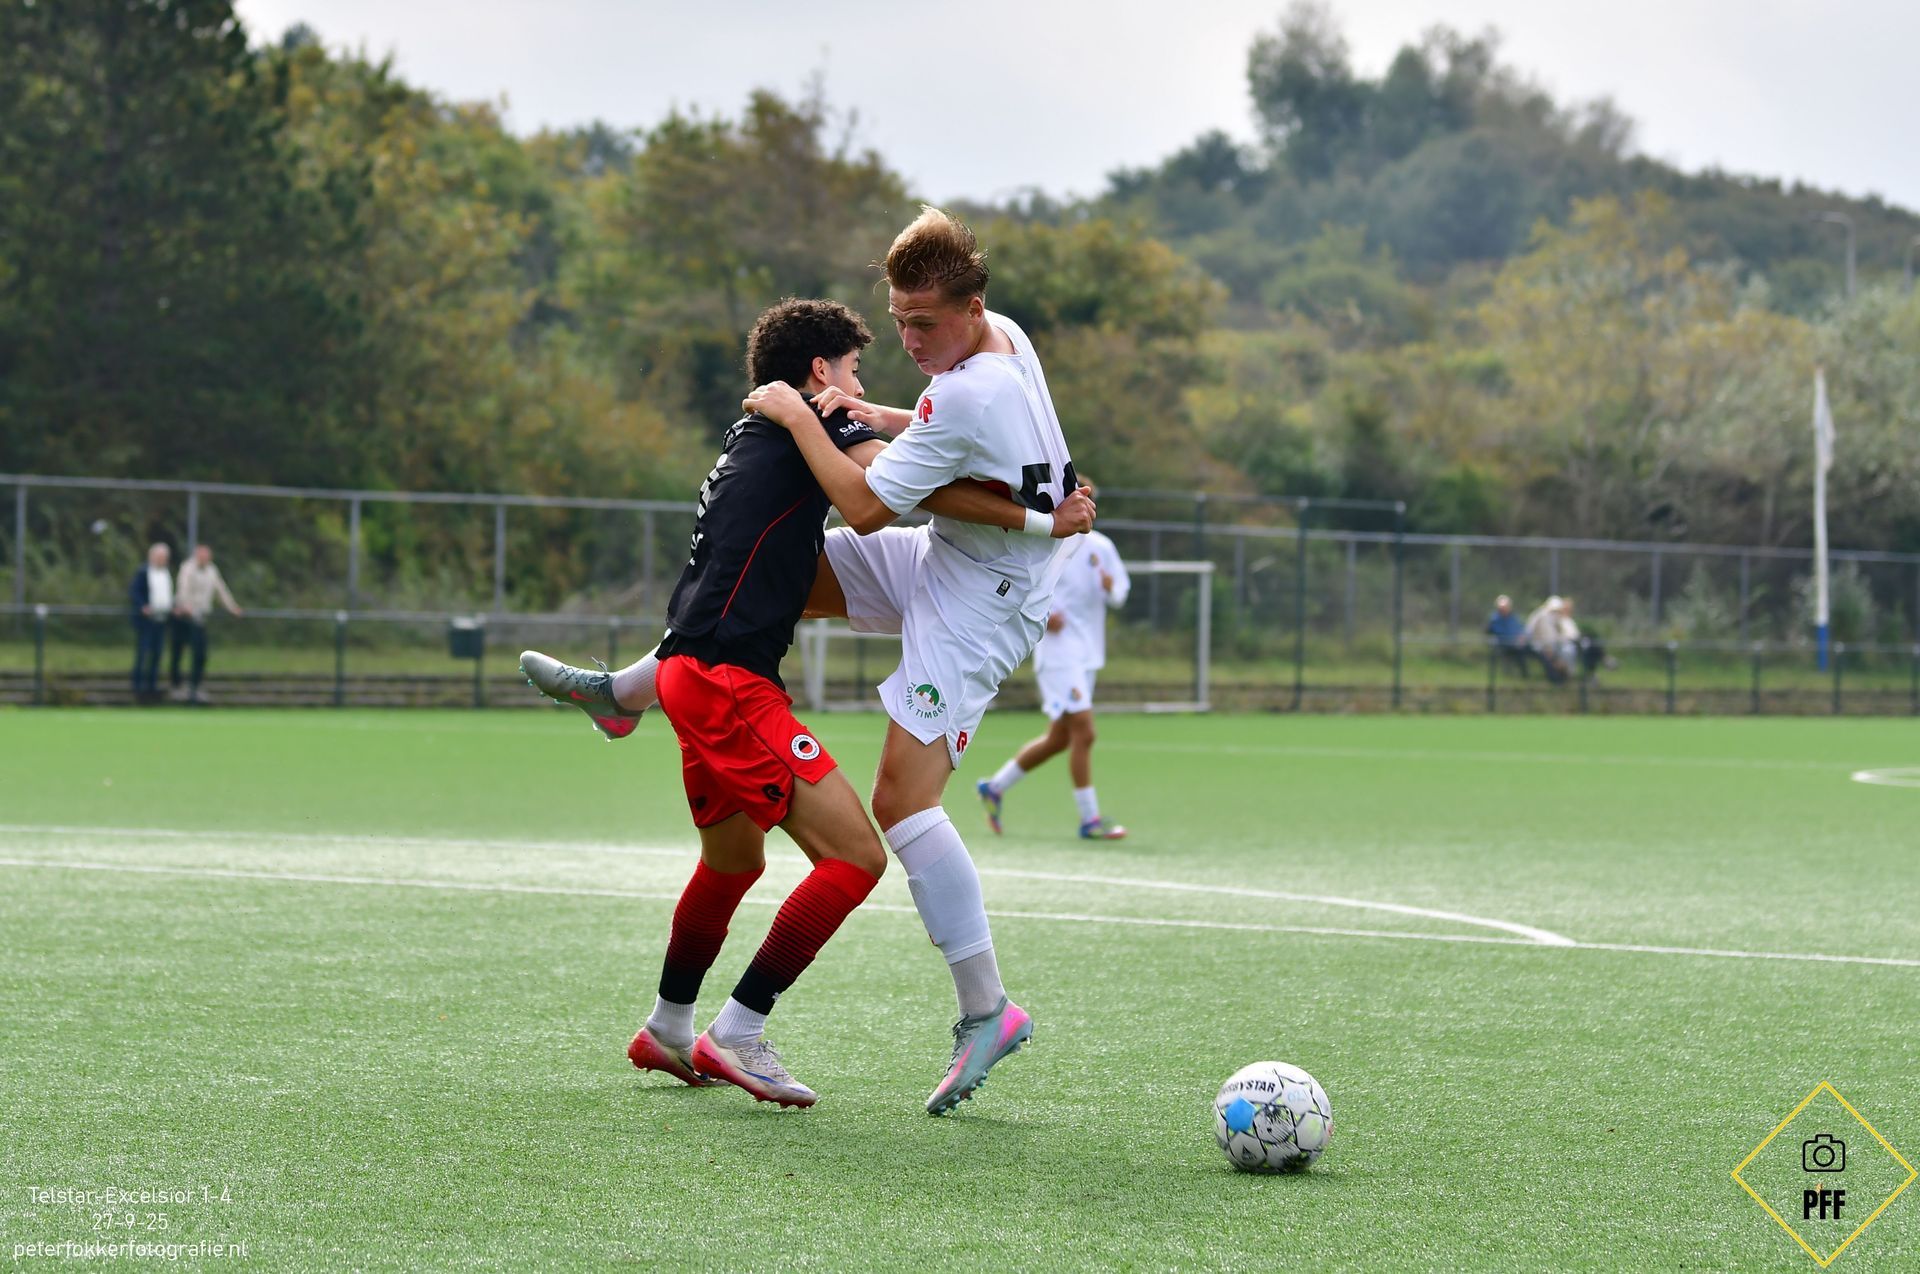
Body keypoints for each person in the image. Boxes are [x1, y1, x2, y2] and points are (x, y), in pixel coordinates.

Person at [518, 298, 1090, 1109]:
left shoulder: (753, 432)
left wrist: (870, 415)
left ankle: (669, 1025)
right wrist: (1040, 517)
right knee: (857, 857)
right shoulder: (813, 415)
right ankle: (740, 1031)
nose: (858, 383)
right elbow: (892, 492)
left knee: (733, 863)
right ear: (820, 371)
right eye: (852, 369)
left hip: (689, 672)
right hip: (728, 686)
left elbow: (908, 462)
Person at [742, 207, 1083, 1114]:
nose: (909, 340)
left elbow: (864, 507)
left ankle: (988, 1010)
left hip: (981, 600)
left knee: (901, 801)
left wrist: (799, 413)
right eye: (898, 320)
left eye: (925, 323)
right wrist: (875, 413)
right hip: (954, 556)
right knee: (778, 574)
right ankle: (629, 690)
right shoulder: (1005, 338)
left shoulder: (965, 392)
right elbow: (952, 446)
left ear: (971, 308)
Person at [976, 480, 1132, 839]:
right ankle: (1090, 819)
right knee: (1085, 733)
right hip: (1059, 654)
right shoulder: (1046, 542)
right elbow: (1019, 589)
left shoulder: (1101, 547)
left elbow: (1121, 593)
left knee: (1060, 739)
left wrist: (1110, 587)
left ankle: (994, 787)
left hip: (1088, 654)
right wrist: (1047, 616)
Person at [169, 544, 243, 703]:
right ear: (196, 555)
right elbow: (183, 588)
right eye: (201, 556)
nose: (204, 559)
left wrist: (232, 607)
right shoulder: (187, 568)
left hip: (200, 617)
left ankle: (195, 686)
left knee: (200, 654)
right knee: (178, 651)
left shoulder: (212, 570)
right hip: (184, 616)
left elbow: (221, 590)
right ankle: (176, 685)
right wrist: (186, 605)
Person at [128, 543, 172, 703]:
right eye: (160, 557)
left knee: (157, 654)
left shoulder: (166, 573)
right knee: (143, 653)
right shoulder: (143, 572)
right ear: (152, 557)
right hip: (146, 621)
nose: (163, 560)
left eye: (165, 557)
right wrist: (143, 606)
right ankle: (137, 686)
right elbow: (134, 591)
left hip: (161, 620)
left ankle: (152, 685)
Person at [1485, 594, 1530, 677]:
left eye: (1506, 607)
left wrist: (1521, 637)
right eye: (1502, 607)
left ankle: (1527, 675)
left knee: (1531, 649)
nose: (1504, 609)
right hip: (1504, 644)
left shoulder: (1513, 617)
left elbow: (1520, 628)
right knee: (1519, 652)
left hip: (1517, 643)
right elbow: (1500, 633)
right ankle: (1524, 675)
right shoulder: (1495, 619)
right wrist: (1514, 640)